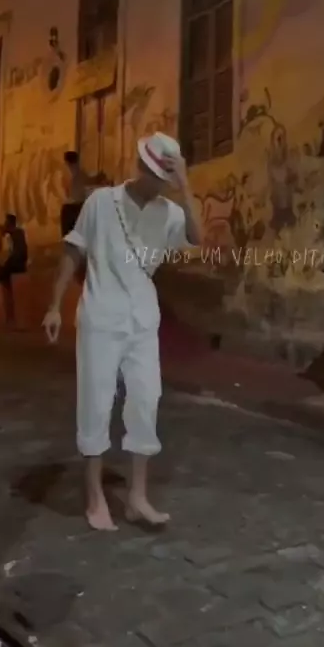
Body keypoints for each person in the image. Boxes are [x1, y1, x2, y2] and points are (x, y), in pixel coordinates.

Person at [42, 133, 202, 531]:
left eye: (165, 178)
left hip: (143, 319)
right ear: (140, 166)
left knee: (146, 400)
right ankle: (95, 495)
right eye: (155, 175)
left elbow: (198, 237)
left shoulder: (169, 212)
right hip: (100, 317)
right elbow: (73, 252)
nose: (158, 184)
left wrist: (185, 184)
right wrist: (54, 305)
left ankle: (136, 497)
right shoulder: (101, 202)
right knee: (96, 402)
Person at [60, 150, 110, 237]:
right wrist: (100, 178)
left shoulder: (67, 174)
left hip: (70, 208)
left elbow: (68, 192)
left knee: (69, 236)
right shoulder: (80, 173)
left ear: (67, 162)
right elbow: (90, 181)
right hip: (78, 207)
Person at [0, 214, 28, 326]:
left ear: (9, 223)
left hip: (17, 264)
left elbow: (15, 254)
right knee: (2, 273)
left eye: (6, 222)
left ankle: (10, 318)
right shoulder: (15, 233)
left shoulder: (17, 232)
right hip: (14, 263)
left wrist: (2, 233)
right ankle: (10, 318)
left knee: (0, 271)